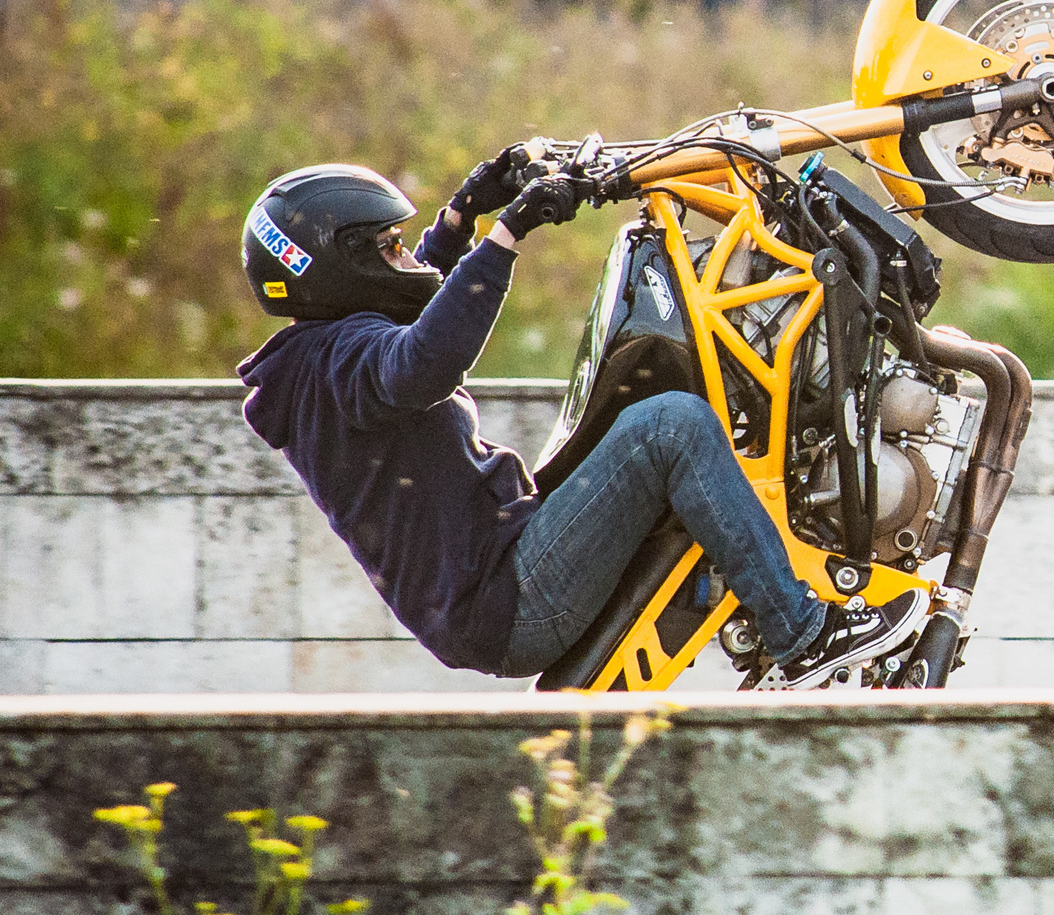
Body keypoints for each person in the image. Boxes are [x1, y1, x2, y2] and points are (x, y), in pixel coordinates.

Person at [235, 155, 922, 685]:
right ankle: (803, 635)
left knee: (665, 430)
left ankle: (777, 582)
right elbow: (422, 360)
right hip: (509, 600)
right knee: (672, 427)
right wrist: (509, 233)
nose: (405, 254)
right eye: (389, 247)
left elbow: (409, 307)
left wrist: (463, 214)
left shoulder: (322, 357)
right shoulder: (333, 364)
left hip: (501, 580)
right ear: (338, 265)